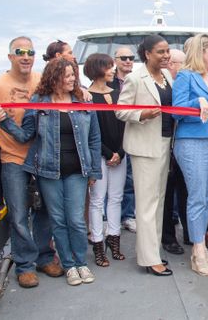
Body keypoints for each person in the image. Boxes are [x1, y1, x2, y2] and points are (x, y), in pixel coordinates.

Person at [0, 58, 102, 286]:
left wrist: (94, 170)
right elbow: (26, 135)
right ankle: (68, 265)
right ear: (54, 78)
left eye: (73, 74)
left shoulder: (83, 100)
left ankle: (80, 262)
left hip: (78, 170)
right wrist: (3, 121)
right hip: (47, 171)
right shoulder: (38, 102)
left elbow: (94, 138)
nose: (72, 79)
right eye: (66, 75)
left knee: (76, 219)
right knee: (57, 219)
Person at [0, 37, 61, 288]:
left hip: (42, 157)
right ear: (10, 56)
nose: (26, 56)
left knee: (45, 210)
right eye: (19, 52)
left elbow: (64, 92)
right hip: (13, 158)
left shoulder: (41, 80)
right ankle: (24, 265)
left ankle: (44, 257)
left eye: (30, 52)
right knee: (19, 214)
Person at [115, 35, 174, 276]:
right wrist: (141, 114)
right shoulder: (134, 78)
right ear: (147, 54)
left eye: (167, 51)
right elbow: (120, 111)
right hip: (144, 148)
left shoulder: (167, 76)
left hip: (164, 143)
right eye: (161, 51)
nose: (166, 55)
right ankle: (149, 258)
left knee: (158, 201)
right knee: (147, 204)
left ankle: (154, 250)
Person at [172, 33, 208, 276]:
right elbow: (176, 111)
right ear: (199, 51)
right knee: (196, 197)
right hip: (191, 141)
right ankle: (197, 251)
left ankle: (202, 246)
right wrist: (198, 103)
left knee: (207, 197)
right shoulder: (186, 76)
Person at [84, 53, 127, 266]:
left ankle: (114, 239)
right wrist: (109, 153)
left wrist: (120, 152)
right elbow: (90, 132)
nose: (112, 70)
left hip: (119, 154)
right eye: (109, 67)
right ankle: (98, 243)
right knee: (97, 200)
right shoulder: (87, 97)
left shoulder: (119, 94)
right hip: (99, 155)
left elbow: (125, 126)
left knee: (116, 198)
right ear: (97, 69)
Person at [161, 47, 189, 255]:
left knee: (187, 192)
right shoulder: (163, 85)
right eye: (183, 64)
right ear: (172, 64)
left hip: (185, 146)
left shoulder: (186, 82)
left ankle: (190, 233)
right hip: (164, 147)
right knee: (167, 195)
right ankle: (168, 237)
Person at [108, 47, 137, 233]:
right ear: (115, 60)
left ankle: (128, 215)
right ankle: (109, 219)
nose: (128, 61)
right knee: (109, 183)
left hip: (132, 133)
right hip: (112, 136)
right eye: (124, 58)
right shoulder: (109, 82)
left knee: (130, 180)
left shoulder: (136, 80)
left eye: (131, 58)